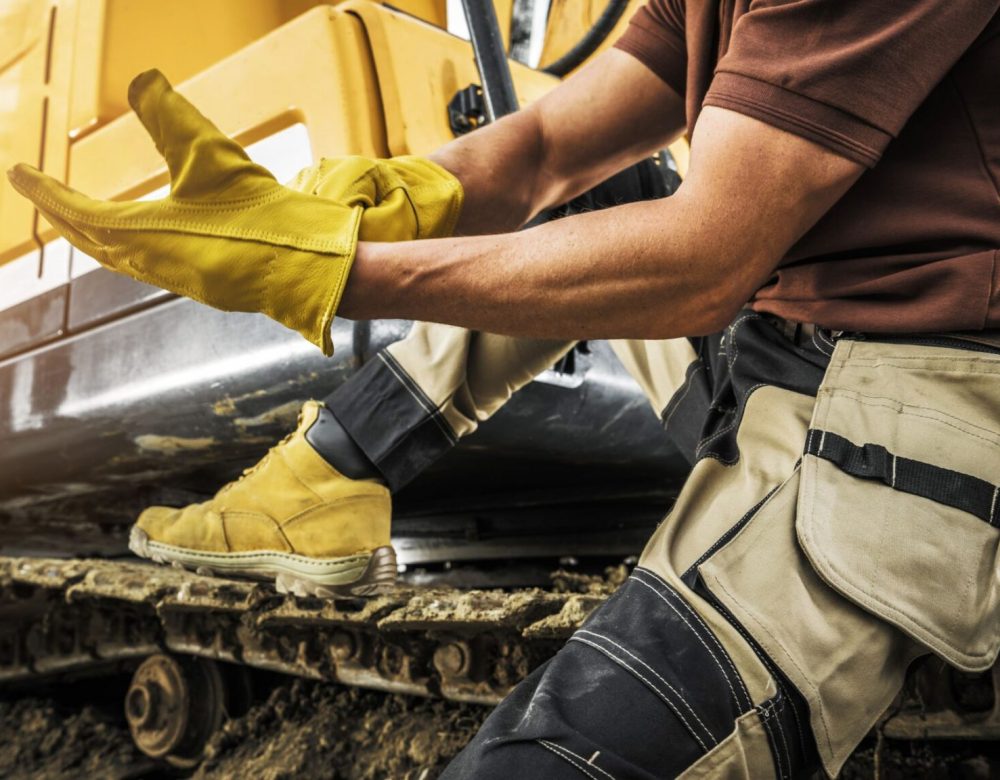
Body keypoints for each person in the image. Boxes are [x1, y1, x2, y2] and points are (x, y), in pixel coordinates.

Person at [10, 0, 1000, 775]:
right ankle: (318, 486)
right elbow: (544, 151)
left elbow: (705, 256)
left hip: (898, 412)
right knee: (594, 179)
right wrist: (396, 199)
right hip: (771, 362)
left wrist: (340, 273)